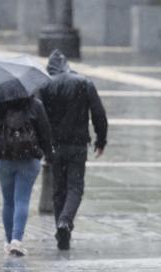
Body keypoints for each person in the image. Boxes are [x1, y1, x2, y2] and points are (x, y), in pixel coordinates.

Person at [39, 50, 108, 251]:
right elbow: (98, 113)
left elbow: (39, 116)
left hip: (54, 146)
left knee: (58, 189)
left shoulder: (44, 85)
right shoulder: (84, 83)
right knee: (75, 187)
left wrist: (42, 145)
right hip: (78, 144)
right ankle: (65, 222)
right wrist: (101, 140)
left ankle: (62, 232)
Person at [0, 96, 52, 256]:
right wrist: (48, 155)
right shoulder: (36, 105)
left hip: (4, 158)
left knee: (8, 201)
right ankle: (17, 240)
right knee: (22, 199)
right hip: (29, 159)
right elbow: (46, 133)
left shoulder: (0, 103)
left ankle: (9, 242)